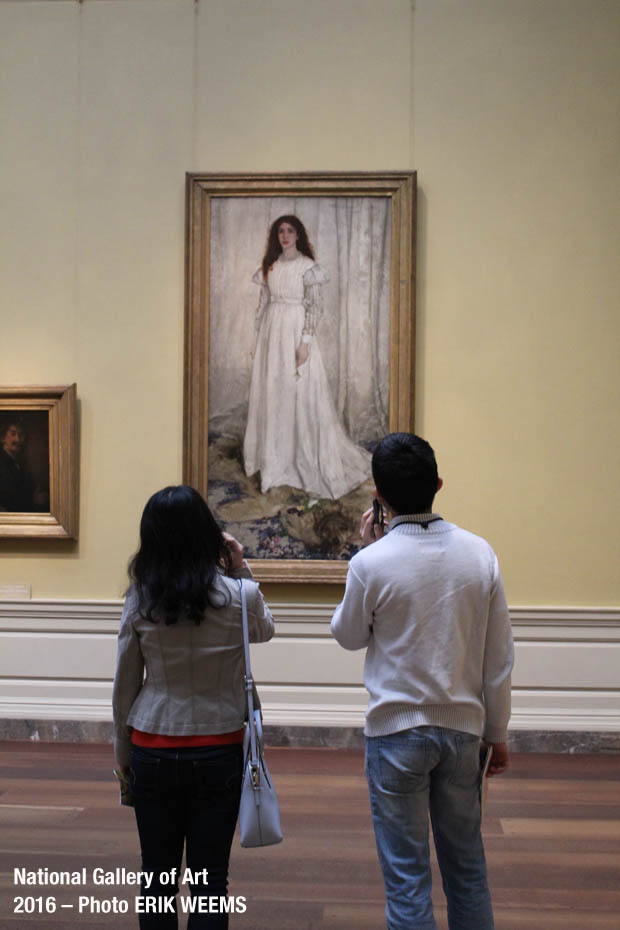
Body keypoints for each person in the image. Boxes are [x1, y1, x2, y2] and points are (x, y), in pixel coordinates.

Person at [331, 433, 514, 930]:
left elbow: (347, 636)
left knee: (407, 879)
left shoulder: (370, 562)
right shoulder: (480, 555)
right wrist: (496, 733)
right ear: (437, 484)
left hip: (394, 735)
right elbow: (498, 659)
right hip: (461, 733)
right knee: (468, 870)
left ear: (379, 496)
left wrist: (367, 552)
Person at [112, 485, 274, 929]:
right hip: (219, 746)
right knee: (210, 884)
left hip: (152, 745)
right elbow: (265, 631)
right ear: (210, 534)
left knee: (157, 880)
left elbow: (125, 689)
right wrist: (240, 567)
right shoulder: (240, 596)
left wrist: (123, 762)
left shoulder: (140, 599)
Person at [243, 214, 371, 500]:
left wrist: (305, 343)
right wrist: (256, 339)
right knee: (274, 394)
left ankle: (301, 460)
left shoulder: (308, 268)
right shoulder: (271, 266)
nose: (285, 236)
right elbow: (263, 305)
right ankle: (275, 462)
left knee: (298, 393)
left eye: (290, 231)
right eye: (280, 232)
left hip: (294, 331)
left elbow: (314, 308)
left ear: (298, 235)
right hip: (271, 334)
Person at [0, 421, 36, 512]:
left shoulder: (20, 463)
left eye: (21, 435)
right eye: (13, 434)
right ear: (3, 438)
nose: (18, 439)